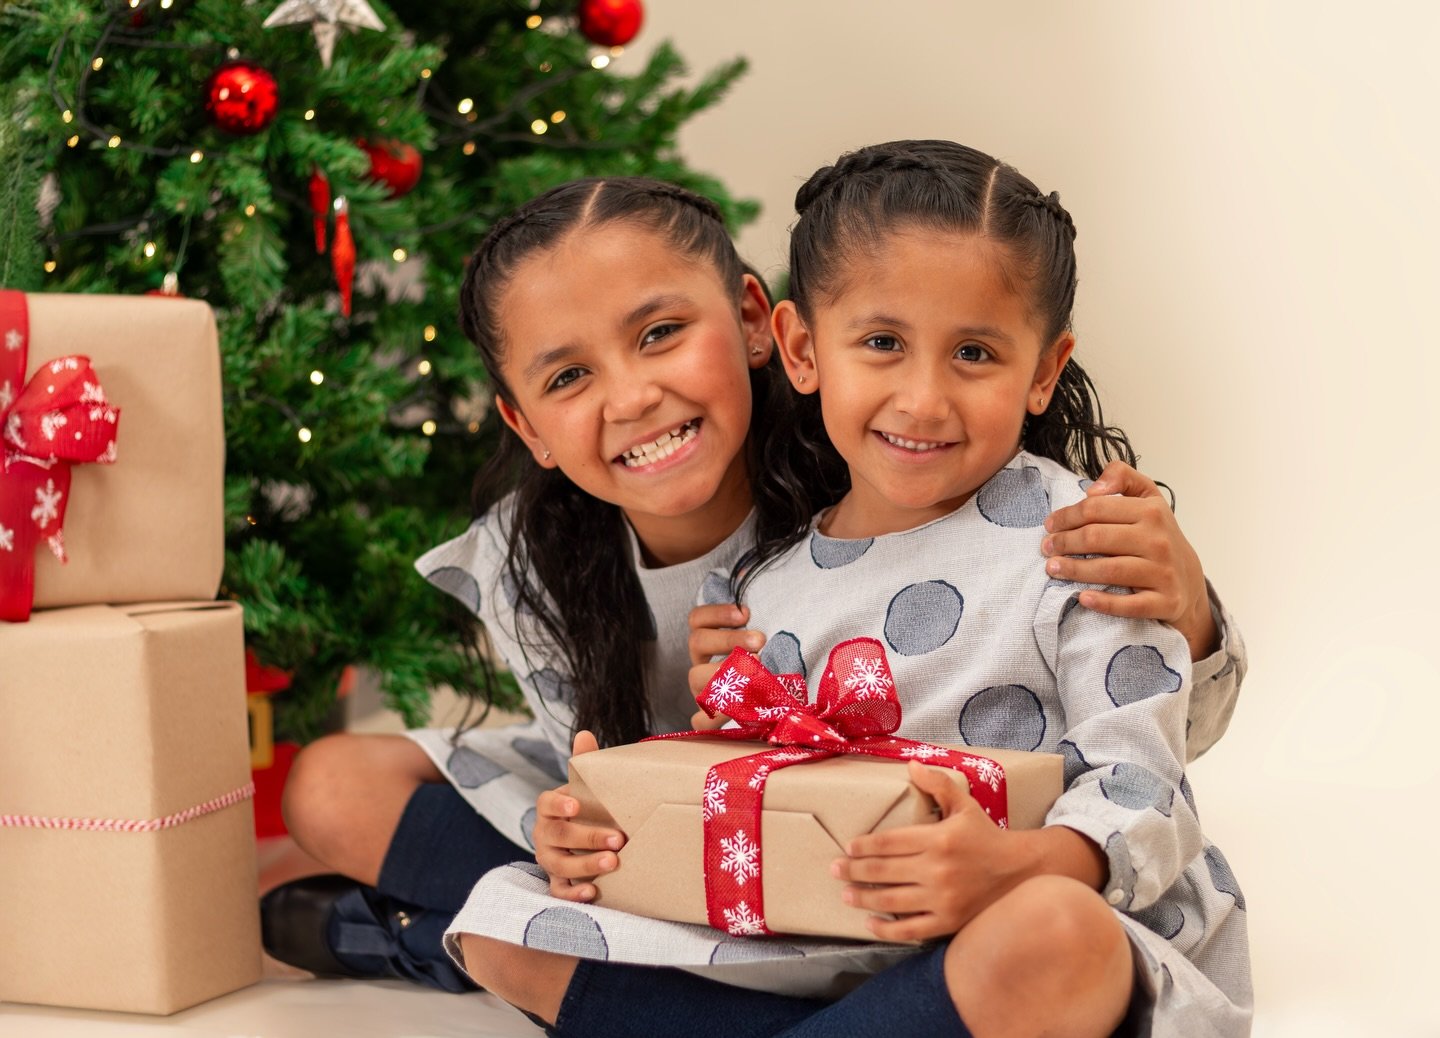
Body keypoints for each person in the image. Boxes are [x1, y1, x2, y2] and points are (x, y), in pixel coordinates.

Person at [260, 174, 1246, 996]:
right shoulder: (538, 558)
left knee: (1038, 934)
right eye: (567, 378)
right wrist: (582, 825)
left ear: (753, 323)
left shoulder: (880, 464)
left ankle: (527, 968)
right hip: (685, 836)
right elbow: (601, 779)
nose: (632, 396)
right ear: (525, 425)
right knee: (333, 785)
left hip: (880, 841)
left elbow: (1137, 737)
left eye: (659, 334)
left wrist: (1189, 606)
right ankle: (508, 953)